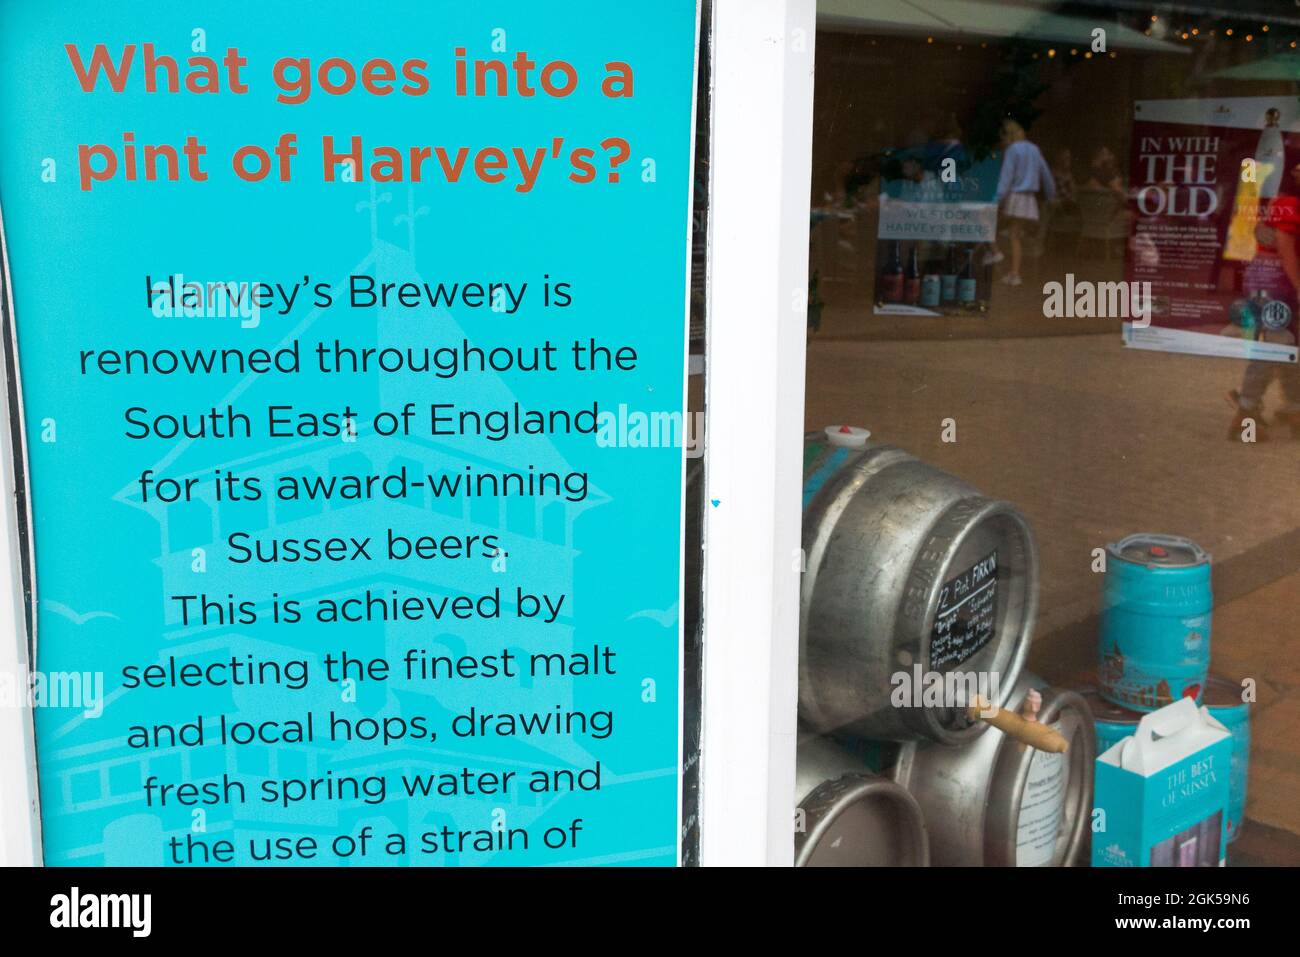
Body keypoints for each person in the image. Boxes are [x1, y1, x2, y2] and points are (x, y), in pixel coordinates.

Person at [1228, 150, 1300, 441]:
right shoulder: (1288, 202)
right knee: (1278, 345)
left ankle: (1292, 408)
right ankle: (1246, 412)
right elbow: (1284, 244)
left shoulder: (1270, 200)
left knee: (1287, 346)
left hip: (1262, 283)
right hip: (1277, 286)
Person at [992, 118, 1055, 286]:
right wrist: (1051, 195)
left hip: (1015, 198)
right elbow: (1046, 174)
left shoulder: (1013, 150)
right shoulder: (1034, 149)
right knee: (1014, 234)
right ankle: (1009, 268)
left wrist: (996, 199)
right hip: (1029, 200)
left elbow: (1006, 177)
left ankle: (1011, 270)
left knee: (1006, 232)